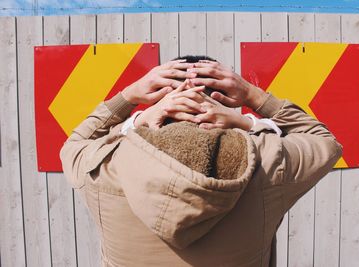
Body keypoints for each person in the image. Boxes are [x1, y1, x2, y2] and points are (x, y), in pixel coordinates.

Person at [60, 56, 342, 267]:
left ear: (161, 103)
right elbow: (323, 140)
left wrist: (132, 105)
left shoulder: (105, 169)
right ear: (221, 103)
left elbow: (76, 143)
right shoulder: (266, 164)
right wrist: (250, 106)